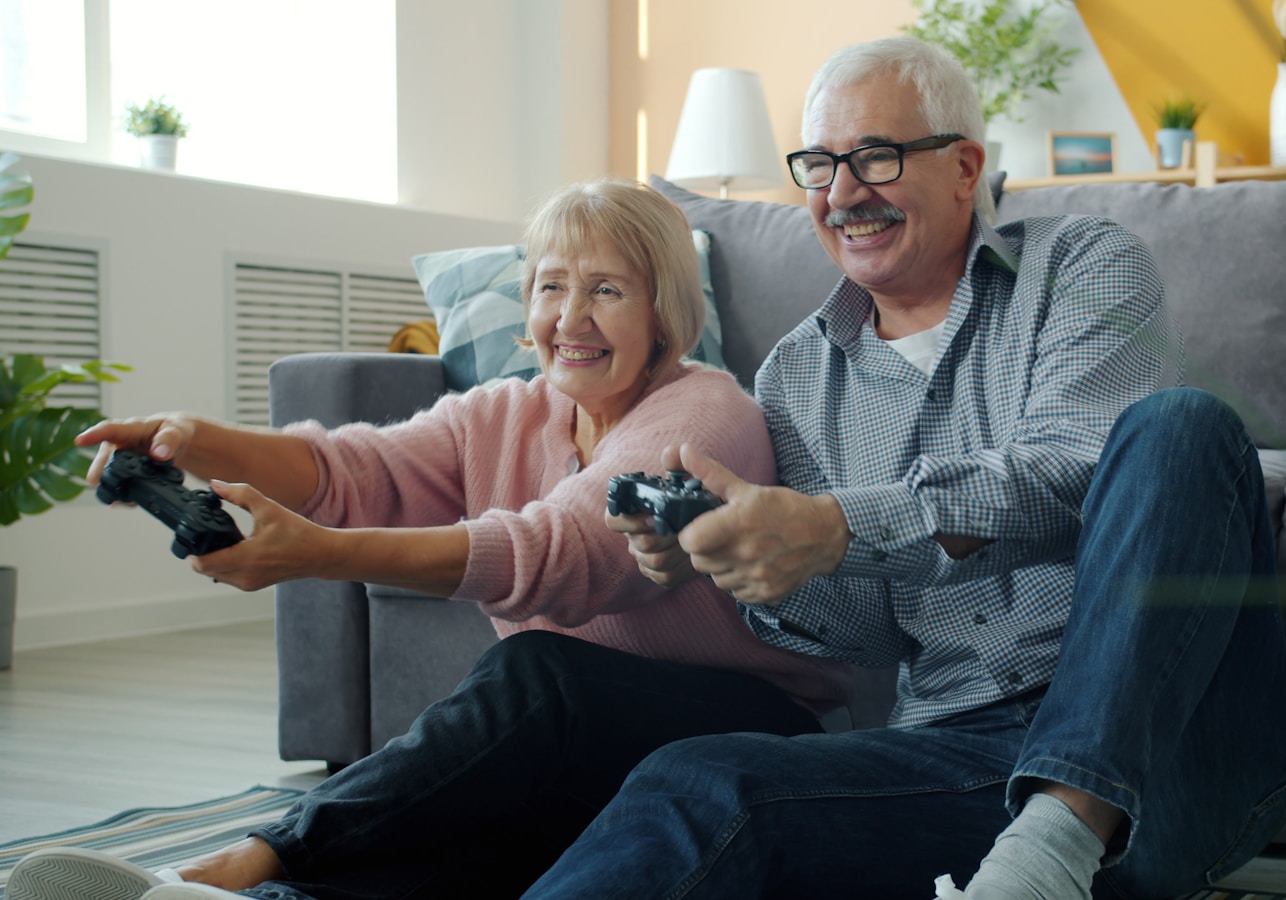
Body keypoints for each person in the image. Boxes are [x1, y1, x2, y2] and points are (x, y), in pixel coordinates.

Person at [526, 37, 1286, 900]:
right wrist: (735, 559)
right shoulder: (795, 374)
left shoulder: (1083, 265)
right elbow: (868, 633)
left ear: (965, 167)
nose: (843, 193)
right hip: (961, 756)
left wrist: (839, 524)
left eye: (876, 158)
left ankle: (1052, 848)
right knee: (696, 785)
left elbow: (1072, 475)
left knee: (1180, 428)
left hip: (1172, 746)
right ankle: (1033, 867)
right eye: (819, 165)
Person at [7, 179, 850, 900]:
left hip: (742, 728)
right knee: (454, 834)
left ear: (664, 308)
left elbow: (569, 554)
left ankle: (245, 861)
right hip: (584, 741)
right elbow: (350, 469)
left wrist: (317, 554)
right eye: (551, 287)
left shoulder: (709, 415)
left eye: (607, 290)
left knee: (535, 672)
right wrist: (192, 439)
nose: (570, 317)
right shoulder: (507, 411)